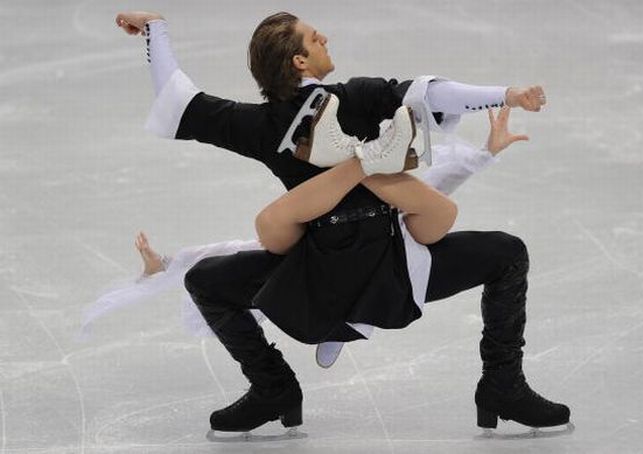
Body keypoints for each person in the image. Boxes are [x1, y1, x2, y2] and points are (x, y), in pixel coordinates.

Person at [114, 10, 571, 435]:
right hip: (388, 267)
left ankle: (274, 388)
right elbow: (429, 93)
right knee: (506, 254)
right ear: (299, 60)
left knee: (209, 279)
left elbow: (180, 101)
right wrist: (507, 94)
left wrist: (156, 29)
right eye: (314, 38)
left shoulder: (259, 123)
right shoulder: (355, 98)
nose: (324, 38)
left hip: (315, 278)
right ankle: (502, 385)